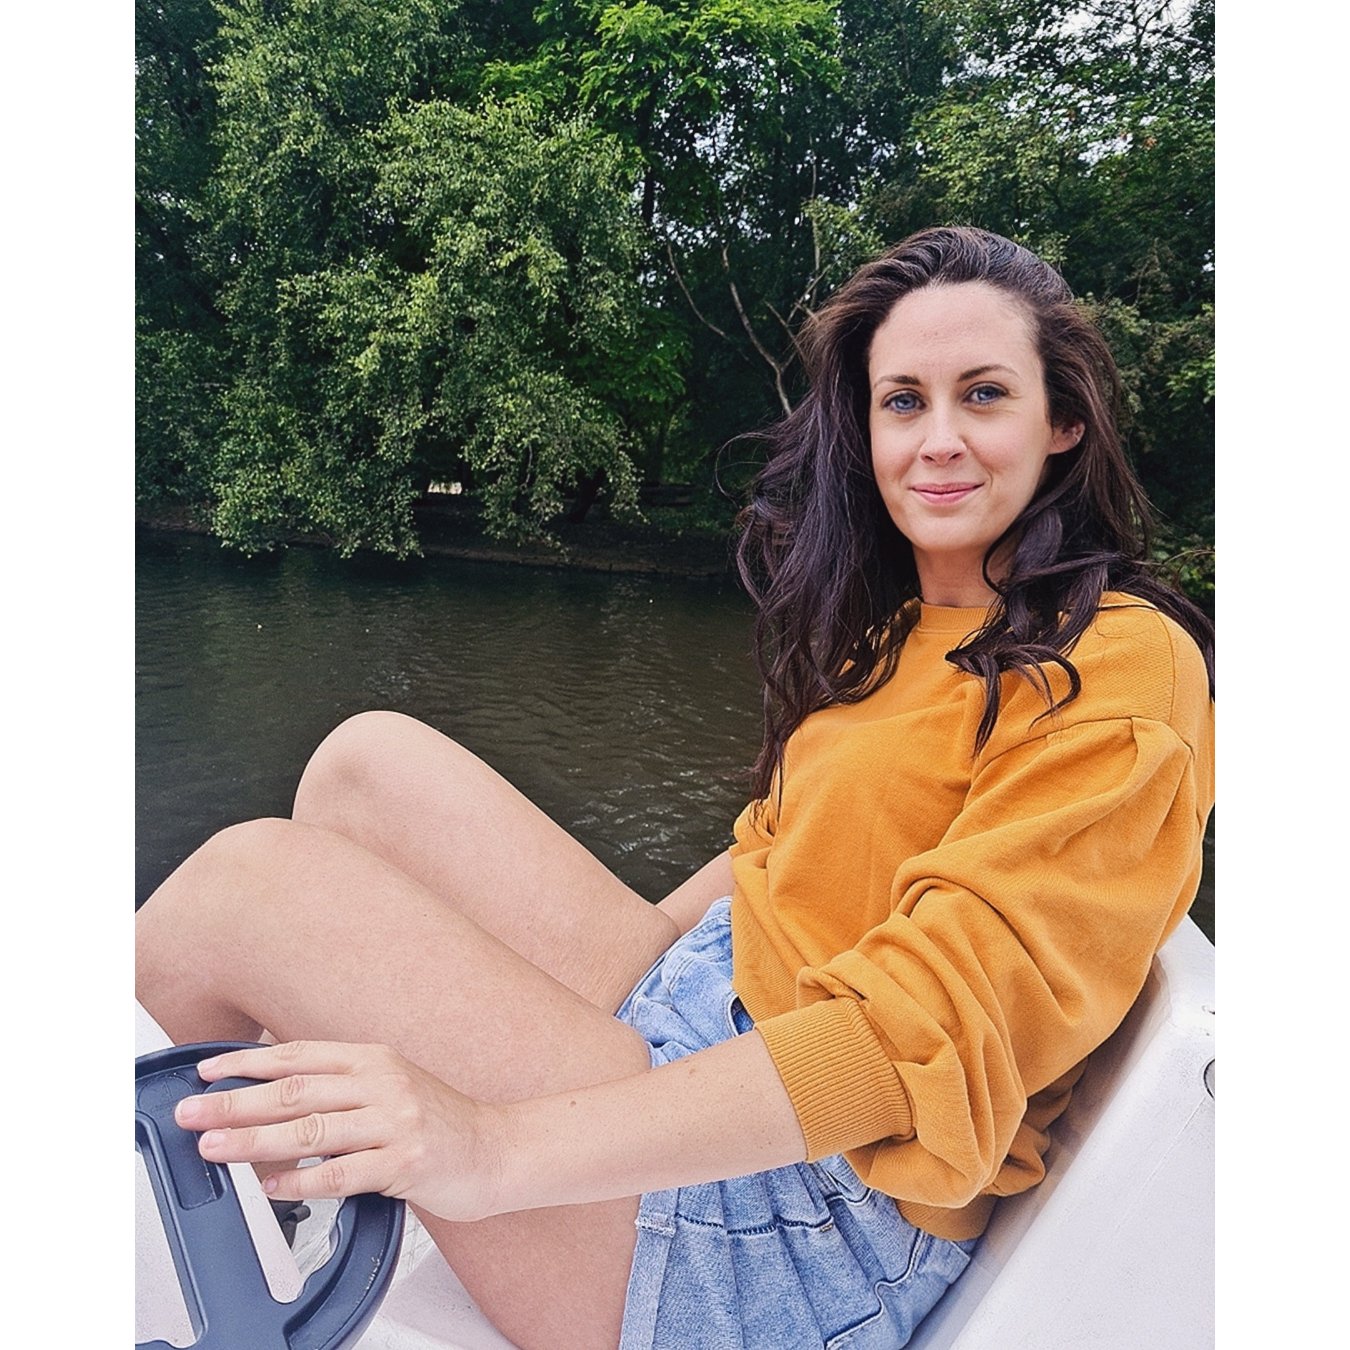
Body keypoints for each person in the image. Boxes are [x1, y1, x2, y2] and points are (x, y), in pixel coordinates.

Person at [136, 225, 1215, 1350]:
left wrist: (490, 1144)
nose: (938, 439)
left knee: (246, 889)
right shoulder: (901, 626)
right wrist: (565, 1008)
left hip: (804, 1212)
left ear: (1063, 420)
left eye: (983, 395)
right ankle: (228, 1198)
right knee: (365, 765)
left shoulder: (1120, 665)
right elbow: (770, 852)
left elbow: (918, 1039)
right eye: (903, 401)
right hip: (714, 1012)